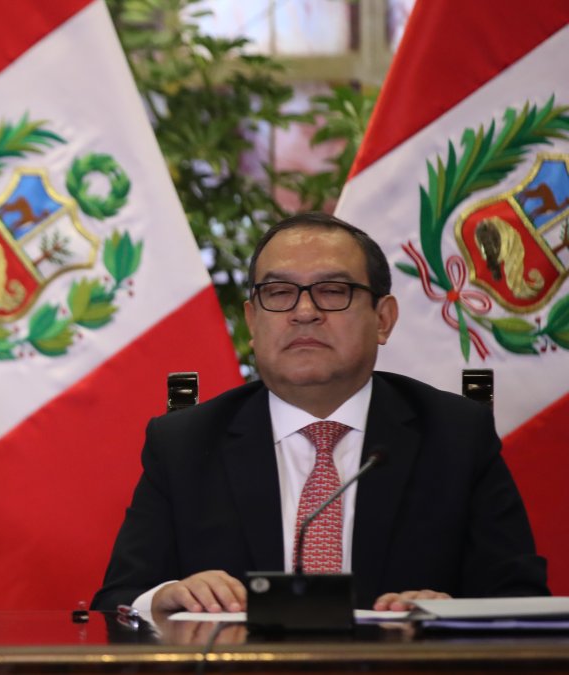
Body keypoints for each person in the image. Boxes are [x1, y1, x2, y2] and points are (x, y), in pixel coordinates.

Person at [92, 212, 548, 615]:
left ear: (383, 319)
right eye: (279, 292)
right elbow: (117, 600)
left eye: (333, 291)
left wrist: (448, 615)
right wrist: (168, 596)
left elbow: (521, 601)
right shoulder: (186, 442)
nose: (304, 312)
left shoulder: (454, 435)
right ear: (252, 321)